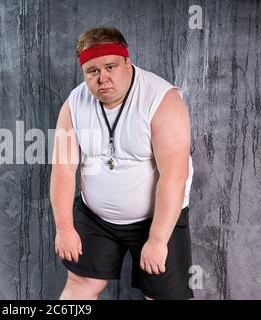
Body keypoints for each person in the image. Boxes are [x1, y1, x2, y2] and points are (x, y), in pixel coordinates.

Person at [50, 27, 194, 300]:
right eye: (92, 71)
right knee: (81, 285)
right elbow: (63, 169)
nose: (102, 78)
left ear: (127, 62)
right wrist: (65, 228)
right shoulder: (75, 103)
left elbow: (174, 176)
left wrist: (158, 240)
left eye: (110, 67)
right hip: (96, 218)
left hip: (157, 219)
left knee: (165, 297)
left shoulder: (162, 100)